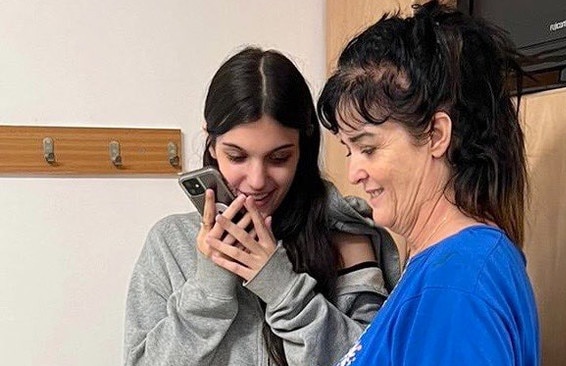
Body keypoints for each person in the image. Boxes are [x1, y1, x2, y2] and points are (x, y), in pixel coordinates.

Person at [123, 47, 400, 366]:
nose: (256, 181)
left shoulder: (345, 235)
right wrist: (209, 289)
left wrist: (283, 289)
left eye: (279, 158)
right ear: (211, 144)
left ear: (303, 148)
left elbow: (376, 359)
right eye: (237, 156)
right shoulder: (170, 243)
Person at [317, 1, 540, 365]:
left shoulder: (457, 283)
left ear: (436, 135)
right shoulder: (441, 267)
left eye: (368, 148)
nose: (355, 172)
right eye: (349, 150)